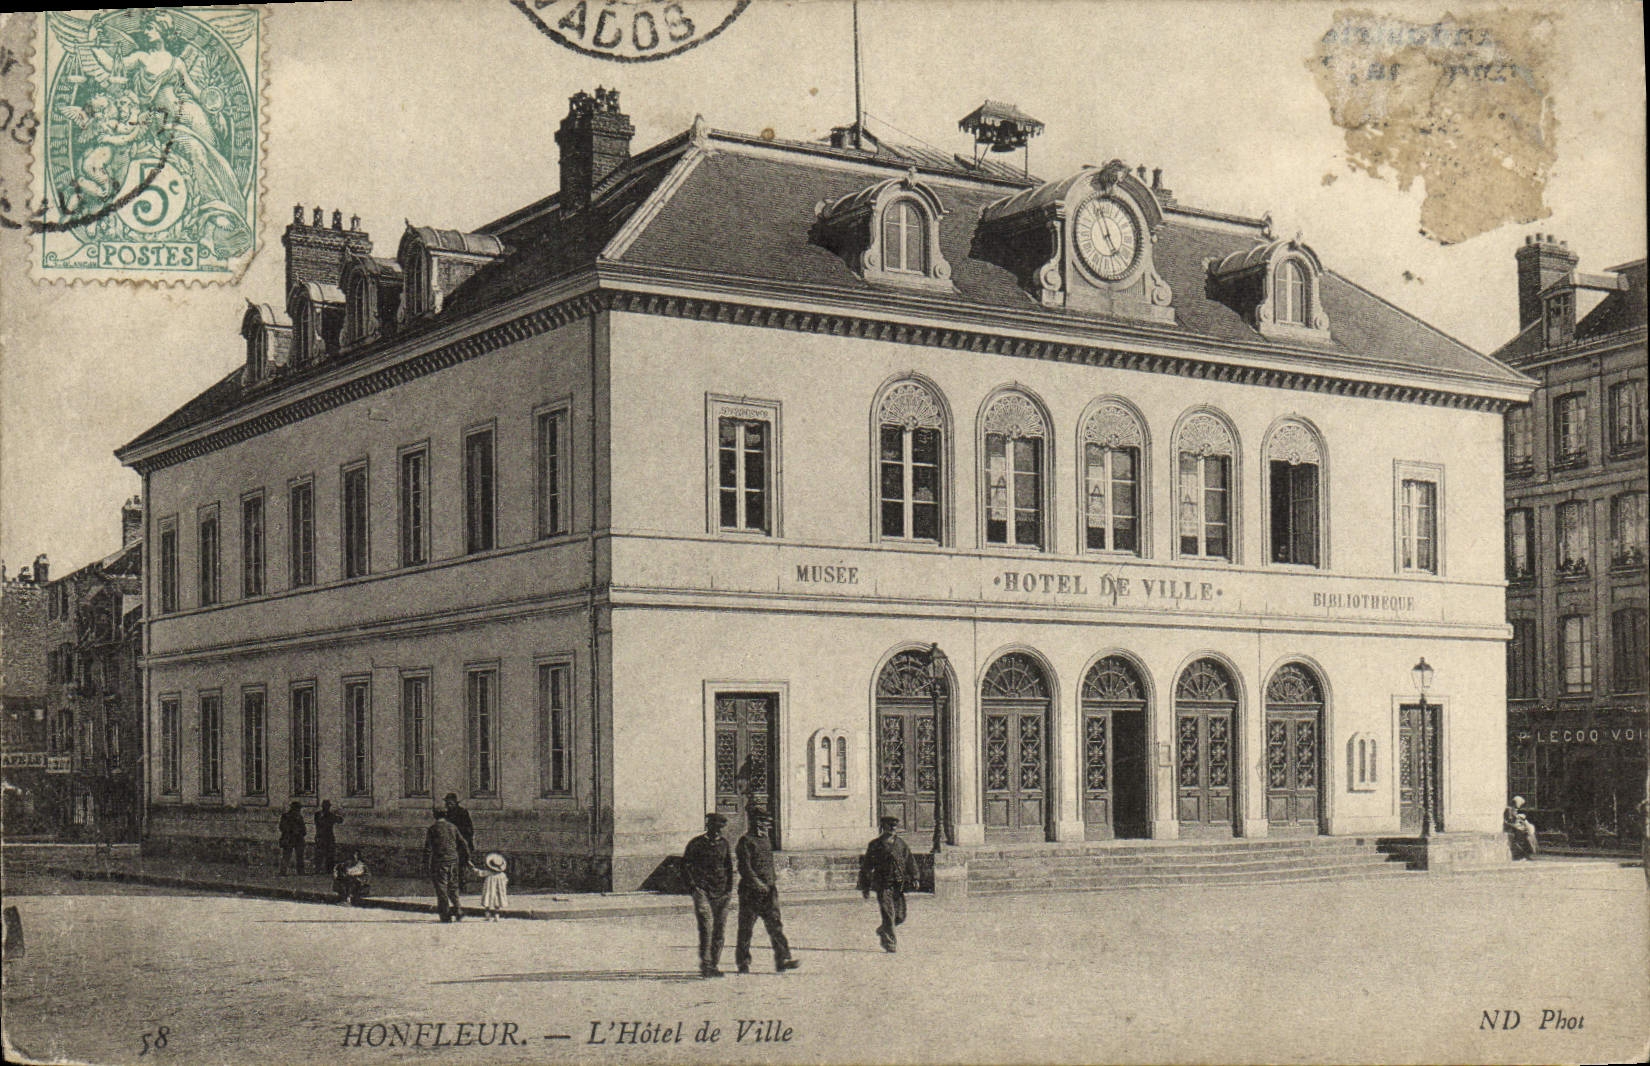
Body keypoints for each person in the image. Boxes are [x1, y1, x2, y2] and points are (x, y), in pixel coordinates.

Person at [735, 808, 800, 974]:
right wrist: (757, 883)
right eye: (763, 822)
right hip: (751, 892)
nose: (766, 825)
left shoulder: (766, 840)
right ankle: (743, 962)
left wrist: (771, 883)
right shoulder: (745, 841)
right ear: (755, 822)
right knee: (746, 928)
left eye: (767, 822)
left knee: (775, 925)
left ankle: (782, 959)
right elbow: (745, 868)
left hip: (769, 891)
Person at [681, 813, 734, 978]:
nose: (718, 832)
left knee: (720, 929)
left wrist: (729, 889)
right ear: (708, 827)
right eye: (715, 828)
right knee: (706, 927)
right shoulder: (696, 844)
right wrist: (693, 887)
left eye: (720, 829)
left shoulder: (724, 844)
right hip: (702, 890)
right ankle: (706, 964)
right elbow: (685, 866)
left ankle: (714, 964)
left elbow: (729, 867)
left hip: (722, 892)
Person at [859, 815, 921, 952]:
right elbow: (867, 866)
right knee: (888, 914)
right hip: (883, 884)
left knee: (900, 916)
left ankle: (883, 930)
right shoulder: (875, 845)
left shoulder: (901, 844)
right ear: (883, 827)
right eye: (890, 826)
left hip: (898, 885)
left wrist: (915, 877)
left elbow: (910, 861)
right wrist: (865, 886)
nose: (893, 829)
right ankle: (890, 943)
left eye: (895, 826)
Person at [424, 807, 468, 922]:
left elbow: (428, 849)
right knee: (453, 887)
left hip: (439, 863)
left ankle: (446, 915)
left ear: (435, 815)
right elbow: (463, 843)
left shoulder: (433, 829)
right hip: (453, 861)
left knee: (441, 889)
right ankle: (458, 910)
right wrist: (466, 857)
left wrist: (425, 865)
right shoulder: (453, 827)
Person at [444, 793, 475, 890]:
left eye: (450, 803)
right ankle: (453, 884)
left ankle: (462, 883)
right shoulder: (447, 814)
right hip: (452, 843)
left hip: (462, 843)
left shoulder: (462, 812)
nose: (448, 805)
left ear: (455, 803)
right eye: (447, 803)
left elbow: (469, 828)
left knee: (462, 864)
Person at [467, 852, 510, 921]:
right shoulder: (502, 875)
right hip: (499, 891)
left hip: (489, 890)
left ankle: (487, 915)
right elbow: (506, 881)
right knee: (497, 902)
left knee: (487, 900)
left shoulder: (488, 873)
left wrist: (472, 868)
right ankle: (497, 916)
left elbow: (479, 873)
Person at [1503, 796, 1538, 860]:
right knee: (1523, 835)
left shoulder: (1513, 809)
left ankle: (1528, 852)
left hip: (1516, 826)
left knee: (1528, 832)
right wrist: (1518, 819)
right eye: (1519, 803)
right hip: (1512, 828)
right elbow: (1509, 820)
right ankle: (1523, 855)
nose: (1519, 806)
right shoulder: (1509, 809)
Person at [314, 800, 343, 875]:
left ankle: (329, 870)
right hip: (321, 836)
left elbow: (340, 820)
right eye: (325, 806)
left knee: (330, 854)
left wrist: (338, 815)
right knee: (319, 854)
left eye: (328, 806)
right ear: (323, 806)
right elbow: (319, 822)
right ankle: (317, 869)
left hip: (329, 837)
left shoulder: (331, 815)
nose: (327, 808)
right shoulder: (318, 815)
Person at [277, 801, 306, 875]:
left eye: (298, 809)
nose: (298, 811)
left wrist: (301, 831)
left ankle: (301, 871)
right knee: (286, 855)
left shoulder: (299, 817)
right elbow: (282, 827)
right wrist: (291, 830)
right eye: (297, 809)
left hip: (299, 839)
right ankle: (282, 872)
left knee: (300, 856)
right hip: (289, 838)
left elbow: (303, 828)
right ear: (293, 809)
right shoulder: (286, 816)